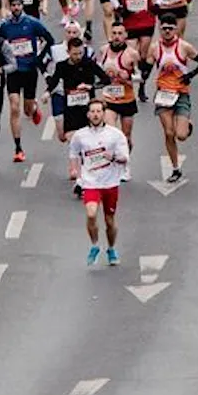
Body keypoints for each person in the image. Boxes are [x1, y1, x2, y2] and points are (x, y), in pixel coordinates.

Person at [66, 98, 131, 269]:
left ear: (103, 114)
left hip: (110, 182)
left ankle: (111, 249)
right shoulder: (80, 136)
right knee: (91, 214)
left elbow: (125, 158)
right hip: (91, 182)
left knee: (109, 221)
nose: (95, 115)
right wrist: (74, 171)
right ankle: (95, 245)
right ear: (88, 114)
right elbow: (73, 153)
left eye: (98, 111)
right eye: (92, 112)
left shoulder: (115, 135)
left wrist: (114, 157)